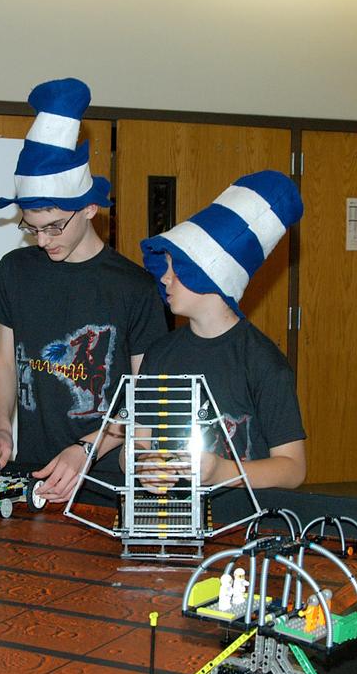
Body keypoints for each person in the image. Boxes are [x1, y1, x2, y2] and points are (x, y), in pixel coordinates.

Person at [0, 78, 167, 500]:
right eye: (31, 228)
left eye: (55, 226)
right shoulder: (14, 270)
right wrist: (1, 427)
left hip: (106, 478)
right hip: (33, 472)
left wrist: (88, 448)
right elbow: (5, 361)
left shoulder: (134, 287)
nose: (42, 240)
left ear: (89, 208)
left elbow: (144, 398)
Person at [130, 170, 307, 491]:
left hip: (242, 524)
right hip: (169, 520)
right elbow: (138, 442)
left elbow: (293, 468)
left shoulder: (263, 362)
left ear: (211, 277)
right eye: (166, 267)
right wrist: (143, 463)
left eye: (177, 269)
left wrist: (223, 472)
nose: (165, 278)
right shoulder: (159, 354)